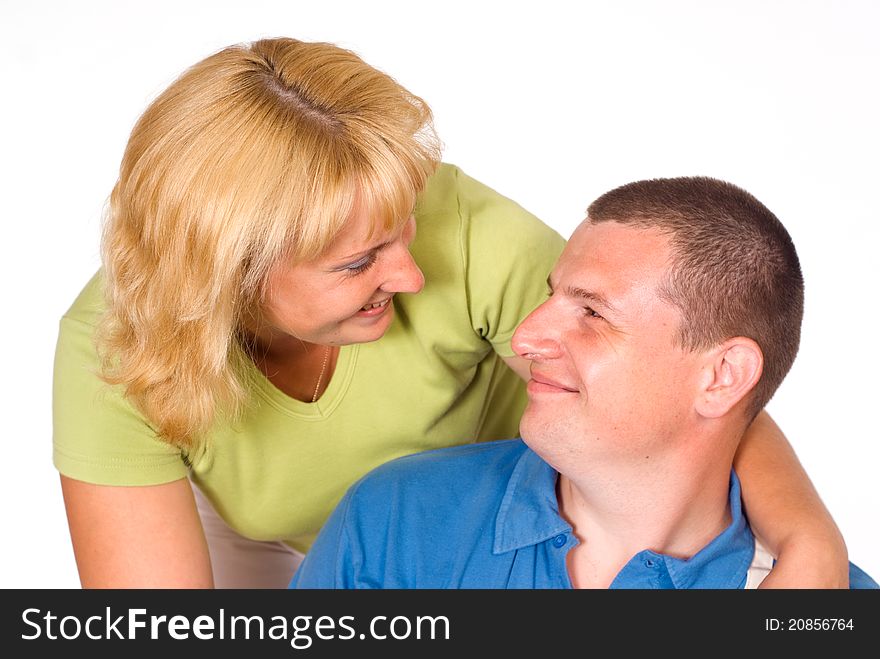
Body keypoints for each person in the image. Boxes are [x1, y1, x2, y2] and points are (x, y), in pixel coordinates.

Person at [54, 37, 846, 589]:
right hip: (287, 541)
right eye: (359, 261)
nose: (408, 271)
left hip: (501, 529)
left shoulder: (468, 237)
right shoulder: (114, 349)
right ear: (234, 275)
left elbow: (682, 385)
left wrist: (810, 543)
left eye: (403, 227)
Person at [291, 176, 877, 589]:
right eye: (550, 295)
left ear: (722, 377)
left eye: (593, 314)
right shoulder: (397, 519)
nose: (524, 338)